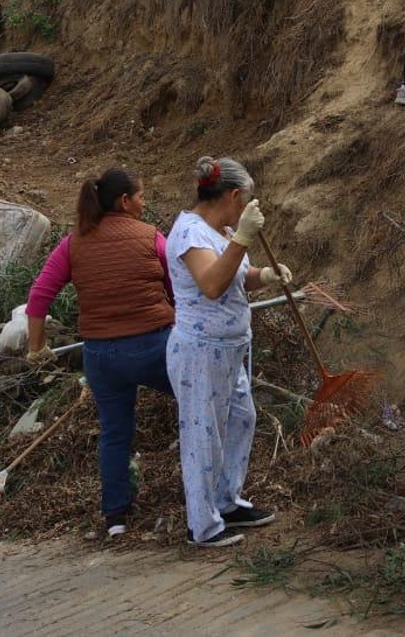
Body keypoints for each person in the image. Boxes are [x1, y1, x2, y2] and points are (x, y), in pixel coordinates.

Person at [26, 167, 173, 539]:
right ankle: (207, 501)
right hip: (155, 346)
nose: (145, 203)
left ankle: (116, 518)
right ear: (124, 201)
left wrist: (36, 347)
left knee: (114, 434)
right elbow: (181, 288)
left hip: (102, 356)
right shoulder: (151, 237)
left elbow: (39, 296)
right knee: (198, 407)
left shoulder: (73, 244)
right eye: (141, 197)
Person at [165, 155, 292, 548]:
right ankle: (201, 525)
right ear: (234, 196)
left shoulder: (219, 231)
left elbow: (237, 278)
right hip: (200, 351)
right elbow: (212, 284)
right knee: (203, 434)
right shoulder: (190, 233)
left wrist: (266, 276)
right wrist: (241, 240)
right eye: (246, 201)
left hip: (230, 349)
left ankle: (227, 500)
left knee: (241, 419)